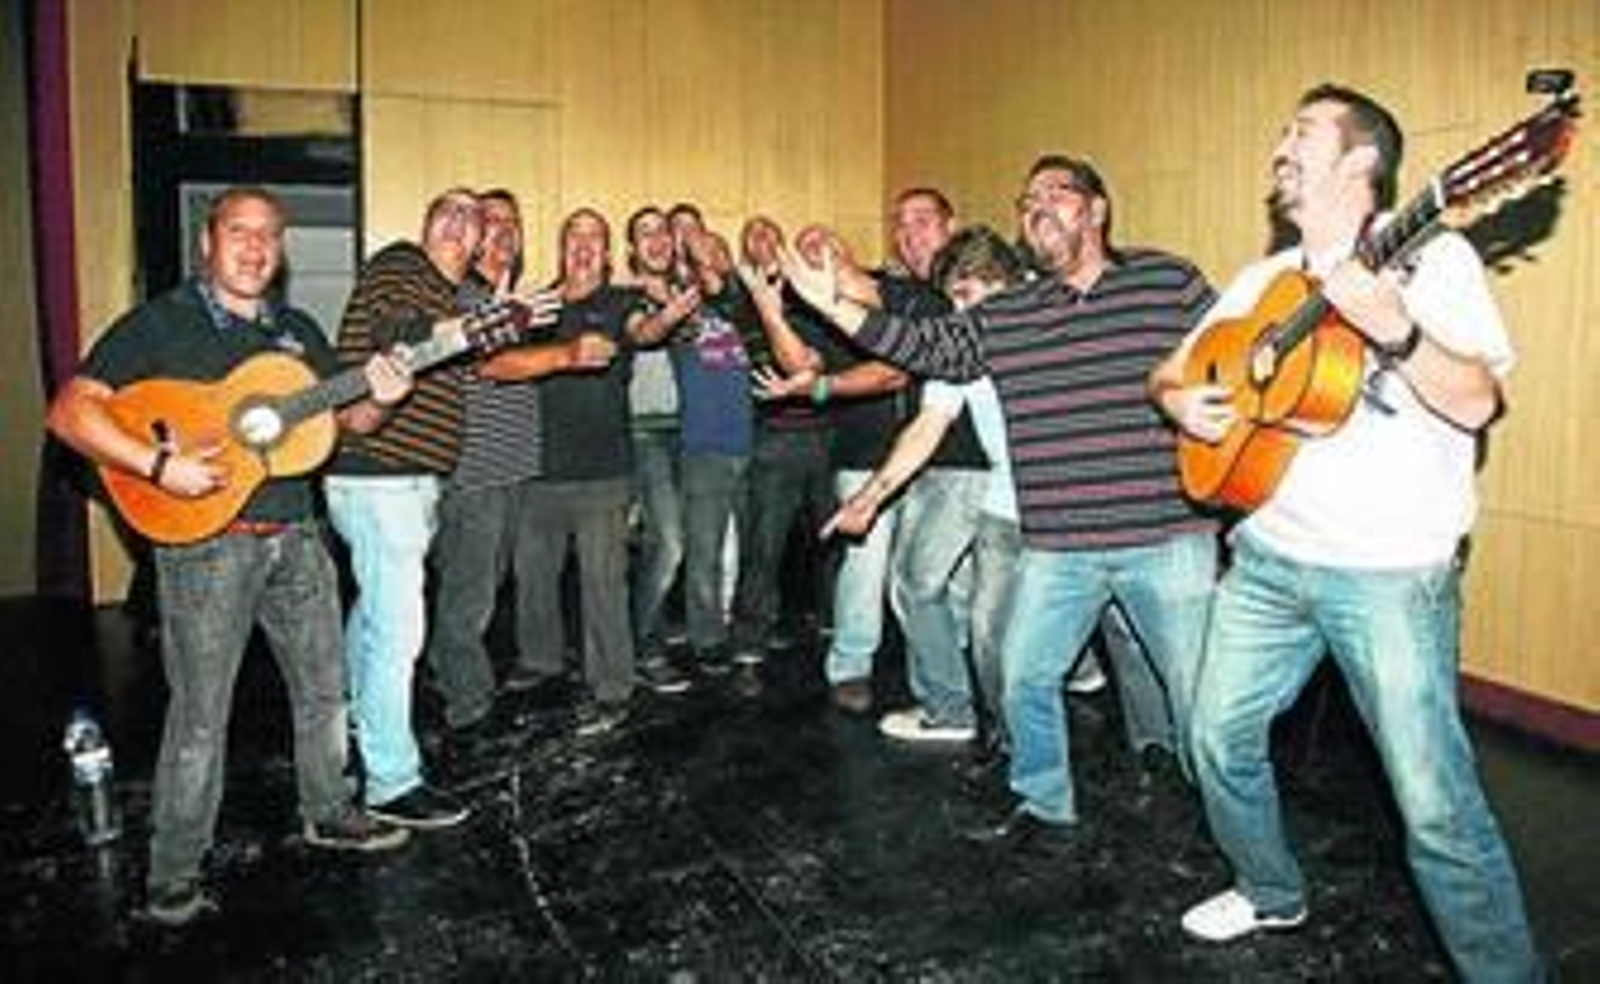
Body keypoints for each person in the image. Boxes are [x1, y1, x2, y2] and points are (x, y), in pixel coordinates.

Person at [1151, 84, 1542, 978]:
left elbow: (1480, 399)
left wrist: (1393, 328)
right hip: (1267, 559)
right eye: (1283, 128)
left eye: (1301, 132)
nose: (1280, 145)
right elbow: (1169, 372)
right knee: (1213, 738)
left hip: (1390, 577)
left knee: (1435, 805)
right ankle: (1269, 890)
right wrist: (1185, 403)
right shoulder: (1263, 279)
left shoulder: (1435, 262)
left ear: (1361, 161)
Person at [783, 155, 1218, 846]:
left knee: (1197, 697)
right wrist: (830, 303)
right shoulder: (1011, 315)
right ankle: (1045, 805)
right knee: (1018, 673)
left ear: (1098, 209)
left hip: (1162, 534)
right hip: (1054, 539)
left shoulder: (1167, 279)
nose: (1036, 205)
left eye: (1056, 193)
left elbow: (1230, 352)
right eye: (1026, 200)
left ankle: (1221, 822)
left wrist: (1209, 409)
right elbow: (924, 346)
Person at [47, 187, 414, 927]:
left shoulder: (300, 332)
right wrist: (157, 466)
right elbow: (70, 411)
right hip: (206, 547)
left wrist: (383, 394)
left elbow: (343, 424)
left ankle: (329, 809)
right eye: (238, 232)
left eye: (269, 236)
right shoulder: (160, 324)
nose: (254, 247)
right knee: (201, 716)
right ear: (206, 244)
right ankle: (173, 871)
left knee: (323, 692)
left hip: (299, 539)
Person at [325, 187, 485, 831]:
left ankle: (347, 717)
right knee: (400, 629)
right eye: (445, 210)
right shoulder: (401, 265)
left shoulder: (447, 292)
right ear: (423, 227)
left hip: (400, 481)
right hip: (379, 476)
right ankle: (391, 781)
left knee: (374, 613)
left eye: (470, 218)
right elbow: (399, 337)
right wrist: (469, 330)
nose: (457, 221)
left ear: (476, 243)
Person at [424, 189, 607, 735]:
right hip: (476, 471)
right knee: (472, 590)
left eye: (513, 223)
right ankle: (469, 699)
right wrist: (565, 355)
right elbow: (493, 367)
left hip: (513, 468)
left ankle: (445, 666)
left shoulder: (512, 299)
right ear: (474, 234)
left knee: (483, 583)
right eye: (491, 222)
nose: (504, 231)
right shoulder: (460, 294)